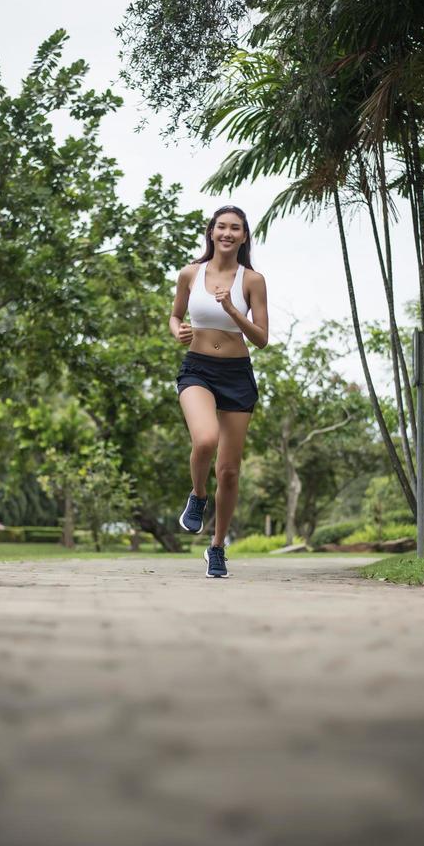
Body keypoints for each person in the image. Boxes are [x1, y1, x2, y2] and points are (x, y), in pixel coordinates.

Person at [170, 205, 269, 578]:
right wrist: (176, 330)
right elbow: (175, 315)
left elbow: (261, 338)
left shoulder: (252, 280)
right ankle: (197, 495)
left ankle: (217, 547)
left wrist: (231, 308)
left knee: (228, 471)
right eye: (221, 227)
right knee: (206, 439)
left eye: (236, 228)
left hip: (237, 373)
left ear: (244, 236)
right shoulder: (190, 273)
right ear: (211, 232)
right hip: (197, 369)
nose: (227, 233)